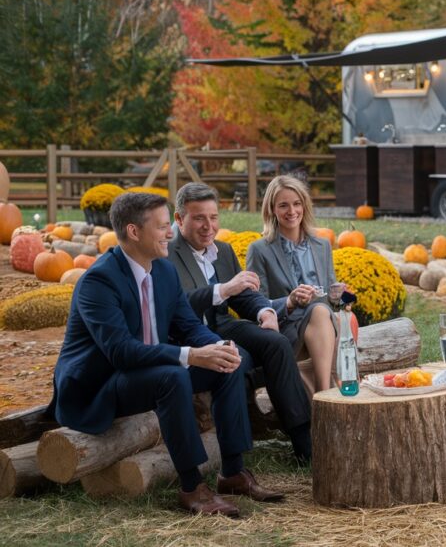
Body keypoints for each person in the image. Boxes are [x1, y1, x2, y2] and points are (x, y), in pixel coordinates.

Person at [52, 192, 282, 517]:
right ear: (134, 232)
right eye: (162, 227)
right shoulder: (98, 281)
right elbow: (121, 352)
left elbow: (188, 326)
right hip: (100, 385)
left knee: (228, 362)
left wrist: (215, 347)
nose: (170, 234)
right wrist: (190, 355)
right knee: (172, 376)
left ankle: (232, 472)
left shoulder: (163, 271)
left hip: (145, 371)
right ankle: (193, 488)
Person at [169, 182, 312, 463]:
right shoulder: (167, 254)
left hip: (220, 323)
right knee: (240, 357)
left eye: (213, 218)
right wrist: (223, 289)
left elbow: (244, 296)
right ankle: (238, 458)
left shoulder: (222, 250)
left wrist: (264, 312)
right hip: (187, 334)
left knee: (276, 342)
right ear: (179, 219)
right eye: (199, 218)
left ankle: (303, 440)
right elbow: (177, 305)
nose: (208, 226)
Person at [246, 175, 347, 395]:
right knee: (320, 312)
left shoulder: (322, 245)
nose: (291, 211)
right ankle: (326, 394)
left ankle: (322, 397)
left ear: (304, 205)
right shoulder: (260, 249)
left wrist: (338, 295)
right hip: (286, 328)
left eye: (296, 203)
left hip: (321, 324)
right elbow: (255, 303)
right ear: (272, 209)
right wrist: (290, 301)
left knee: (322, 311)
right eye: (283, 205)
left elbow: (330, 299)